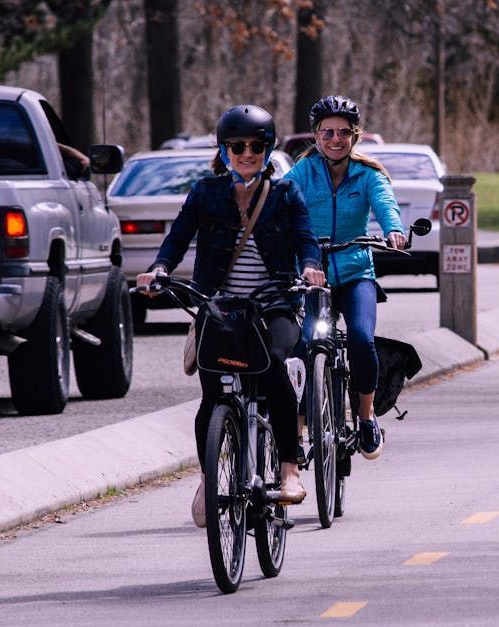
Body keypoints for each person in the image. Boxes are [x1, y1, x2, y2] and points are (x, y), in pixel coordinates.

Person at [136, 104, 325, 526]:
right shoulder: (206, 193)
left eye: (256, 146)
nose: (246, 153)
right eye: (237, 146)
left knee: (274, 366)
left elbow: (305, 239)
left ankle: (289, 472)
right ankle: (209, 476)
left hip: (273, 302)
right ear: (224, 151)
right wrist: (160, 270)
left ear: (267, 149)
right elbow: (178, 238)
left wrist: (311, 267)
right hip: (219, 307)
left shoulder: (284, 194)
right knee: (214, 396)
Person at [284, 95, 406, 461]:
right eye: (327, 133)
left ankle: (366, 418)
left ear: (356, 136)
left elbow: (386, 205)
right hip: (312, 275)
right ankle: (301, 424)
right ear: (316, 136)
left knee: (361, 340)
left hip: (355, 273)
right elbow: (281, 203)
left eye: (343, 133)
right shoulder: (302, 172)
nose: (335, 140)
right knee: (304, 343)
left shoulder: (368, 174)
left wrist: (394, 231)